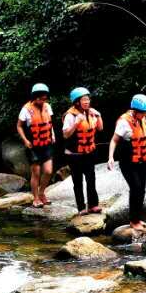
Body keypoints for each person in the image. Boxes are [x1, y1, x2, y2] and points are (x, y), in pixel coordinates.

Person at [107, 94, 146, 231]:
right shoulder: (124, 122)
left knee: (141, 190)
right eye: (143, 112)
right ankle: (133, 220)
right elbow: (114, 140)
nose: (145, 114)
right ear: (135, 110)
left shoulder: (142, 119)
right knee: (135, 188)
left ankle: (137, 218)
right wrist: (110, 157)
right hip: (128, 161)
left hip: (142, 160)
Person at [63, 87, 104, 215]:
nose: (87, 102)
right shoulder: (70, 116)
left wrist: (98, 115)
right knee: (78, 182)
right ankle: (81, 208)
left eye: (88, 99)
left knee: (91, 179)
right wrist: (76, 123)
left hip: (89, 153)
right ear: (77, 102)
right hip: (74, 155)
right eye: (84, 100)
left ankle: (93, 205)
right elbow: (66, 135)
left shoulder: (90, 113)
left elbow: (100, 128)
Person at [17, 83, 55, 207]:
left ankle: (42, 192)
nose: (43, 100)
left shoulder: (47, 107)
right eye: (41, 98)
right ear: (35, 97)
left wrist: (53, 134)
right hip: (32, 145)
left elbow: (50, 123)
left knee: (48, 171)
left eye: (45, 98)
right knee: (36, 173)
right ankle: (36, 198)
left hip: (46, 143)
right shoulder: (26, 110)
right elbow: (19, 126)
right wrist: (25, 140)